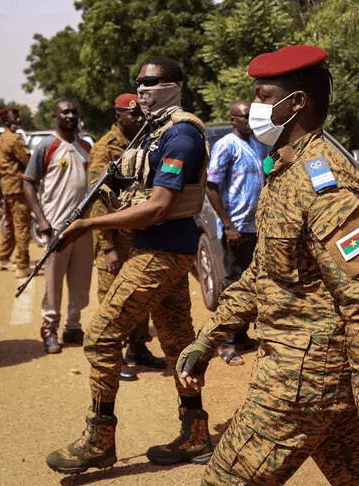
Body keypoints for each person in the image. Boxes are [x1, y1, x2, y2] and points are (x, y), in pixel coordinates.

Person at [175, 45, 359, 486]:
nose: (256, 108)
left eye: (263, 96)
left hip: (301, 382)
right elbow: (265, 274)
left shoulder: (324, 184)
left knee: (225, 479)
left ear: (297, 102)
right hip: (313, 371)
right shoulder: (285, 170)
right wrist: (211, 336)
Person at [46, 56, 211, 474]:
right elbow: (139, 188)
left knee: (100, 335)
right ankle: (196, 434)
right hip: (158, 249)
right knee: (176, 344)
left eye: (152, 82)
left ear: (175, 84)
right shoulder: (152, 133)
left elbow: (158, 207)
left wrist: (88, 224)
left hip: (162, 252)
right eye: (138, 82)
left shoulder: (182, 136)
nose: (143, 89)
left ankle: (100, 438)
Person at [86, 93, 165, 382]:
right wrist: (107, 247)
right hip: (113, 238)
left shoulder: (141, 143)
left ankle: (138, 347)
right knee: (112, 299)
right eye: (134, 115)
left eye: (142, 115)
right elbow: (95, 200)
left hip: (135, 233)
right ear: (119, 115)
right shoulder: (105, 148)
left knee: (138, 293)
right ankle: (112, 358)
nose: (141, 119)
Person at [23, 100, 93, 354]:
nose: (71, 115)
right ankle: (50, 327)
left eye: (74, 111)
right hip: (55, 228)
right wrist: (42, 220)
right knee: (53, 282)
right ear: (55, 117)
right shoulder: (46, 146)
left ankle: (73, 326)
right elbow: (28, 183)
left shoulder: (86, 146)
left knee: (81, 281)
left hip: (84, 227)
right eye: (65, 112)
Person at [206, 100, 267, 365]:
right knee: (233, 285)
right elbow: (211, 187)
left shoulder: (259, 144)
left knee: (251, 283)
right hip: (237, 228)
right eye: (245, 117)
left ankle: (241, 336)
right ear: (233, 119)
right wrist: (228, 225)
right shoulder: (226, 145)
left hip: (257, 228)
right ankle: (226, 342)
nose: (251, 121)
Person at [0, 107, 31, 278]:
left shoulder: (3, 138)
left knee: (10, 224)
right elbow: (26, 161)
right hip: (18, 188)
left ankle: (3, 256)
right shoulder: (14, 139)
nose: (19, 119)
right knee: (22, 226)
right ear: (7, 122)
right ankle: (22, 265)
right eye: (15, 117)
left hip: (6, 187)